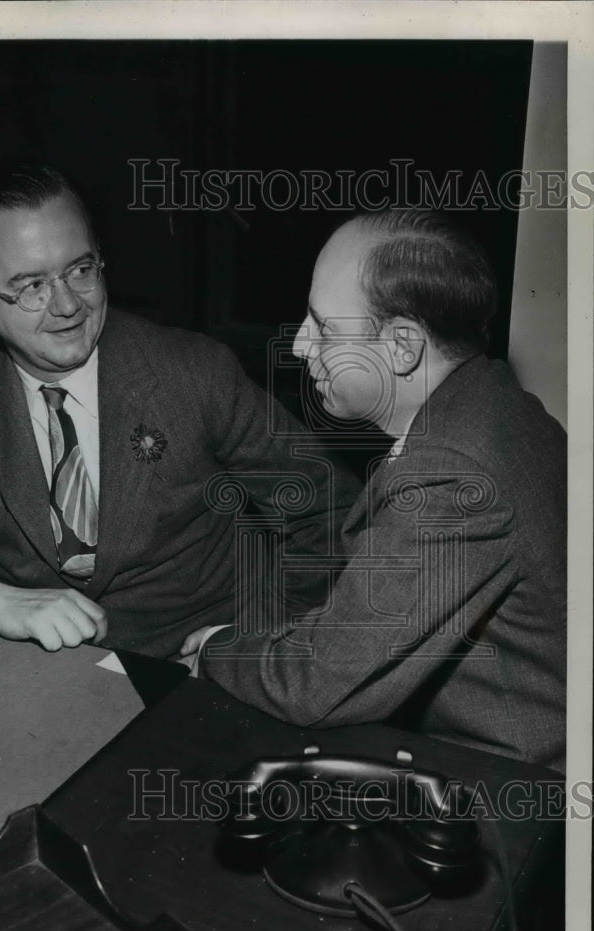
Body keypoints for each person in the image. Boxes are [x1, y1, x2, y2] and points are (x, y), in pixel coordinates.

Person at [0, 164, 359, 658]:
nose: (66, 306)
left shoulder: (193, 372)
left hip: (198, 660)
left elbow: (334, 514)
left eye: (80, 271)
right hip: (42, 669)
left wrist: (257, 643)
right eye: (31, 286)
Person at [191, 209, 566, 772]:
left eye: (324, 327)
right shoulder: (499, 402)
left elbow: (316, 687)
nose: (298, 345)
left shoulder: (451, 477)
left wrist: (215, 647)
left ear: (401, 346)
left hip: (511, 781)